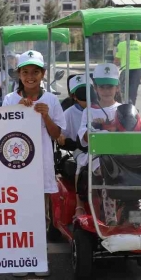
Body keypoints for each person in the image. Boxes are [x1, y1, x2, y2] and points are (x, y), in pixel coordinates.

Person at [3, 50, 65, 278]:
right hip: (16, 167)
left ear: (43, 74)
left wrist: (45, 116)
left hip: (41, 166)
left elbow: (57, 134)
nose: (30, 76)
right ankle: (20, 258)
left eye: (35, 72)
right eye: (25, 72)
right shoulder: (10, 100)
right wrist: (16, 111)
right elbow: (0, 132)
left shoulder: (51, 100)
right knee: (19, 212)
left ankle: (39, 258)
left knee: (41, 214)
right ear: (18, 74)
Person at [77, 64, 124, 225]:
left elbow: (134, 128)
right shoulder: (89, 112)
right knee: (109, 176)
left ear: (117, 88)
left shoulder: (124, 109)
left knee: (138, 175)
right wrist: (95, 128)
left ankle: (134, 212)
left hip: (122, 157)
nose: (106, 90)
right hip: (99, 158)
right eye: (102, 87)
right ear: (96, 88)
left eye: (110, 86)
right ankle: (110, 220)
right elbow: (83, 137)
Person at [55, 74, 89, 218]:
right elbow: (60, 132)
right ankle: (79, 206)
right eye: (82, 95)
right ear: (74, 96)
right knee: (85, 161)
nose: (86, 98)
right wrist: (60, 136)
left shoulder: (100, 108)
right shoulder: (69, 113)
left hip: (103, 149)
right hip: (80, 149)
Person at [113, 34, 141, 104]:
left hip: (125, 70)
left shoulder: (121, 45)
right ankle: (132, 107)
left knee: (123, 90)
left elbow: (116, 61)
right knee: (133, 91)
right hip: (137, 71)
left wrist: (112, 72)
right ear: (135, 37)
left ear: (126, 37)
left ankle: (124, 106)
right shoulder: (139, 44)